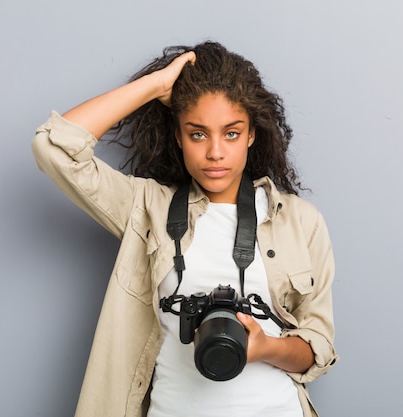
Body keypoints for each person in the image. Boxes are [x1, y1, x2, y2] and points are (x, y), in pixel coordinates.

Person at [32, 41, 338, 417]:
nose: (215, 153)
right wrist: (155, 87)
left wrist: (262, 346)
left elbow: (317, 344)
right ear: (178, 136)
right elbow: (53, 148)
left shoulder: (300, 221)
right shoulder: (146, 207)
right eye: (197, 133)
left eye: (231, 133)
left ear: (251, 135)